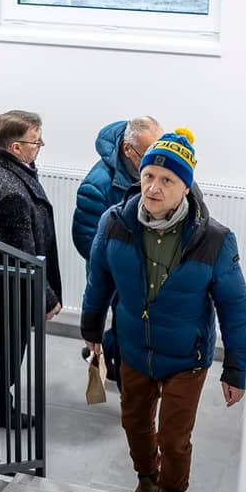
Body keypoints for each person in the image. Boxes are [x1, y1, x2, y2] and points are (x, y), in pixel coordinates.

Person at [81, 128, 246, 492]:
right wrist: (91, 329)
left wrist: (237, 369)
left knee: (174, 437)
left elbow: (236, 306)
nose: (154, 188)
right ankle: (148, 478)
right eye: (148, 176)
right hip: (133, 348)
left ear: (186, 186)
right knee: (135, 425)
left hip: (186, 357)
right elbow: (98, 281)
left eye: (167, 180)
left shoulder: (215, 240)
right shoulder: (114, 223)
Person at [0, 110, 63, 428]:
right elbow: (24, 256)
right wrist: (48, 300)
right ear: (15, 147)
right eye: (36, 141)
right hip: (9, 286)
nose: (41, 145)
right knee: (8, 348)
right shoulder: (11, 195)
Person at [72, 117, 164, 387]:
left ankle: (111, 352)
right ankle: (128, 385)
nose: (155, 162)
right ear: (128, 149)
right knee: (128, 327)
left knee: (131, 325)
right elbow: (86, 239)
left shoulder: (148, 175)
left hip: (144, 270)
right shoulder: (97, 185)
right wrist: (123, 265)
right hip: (115, 273)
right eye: (148, 155)